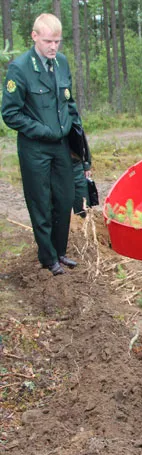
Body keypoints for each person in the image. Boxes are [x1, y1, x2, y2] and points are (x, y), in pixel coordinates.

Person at [1, 13, 82, 276]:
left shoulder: (61, 63)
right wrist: (42, 130)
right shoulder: (20, 68)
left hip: (60, 145)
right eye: (48, 40)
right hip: (35, 147)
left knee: (64, 198)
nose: (53, 46)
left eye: (57, 41)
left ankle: (60, 251)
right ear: (35, 36)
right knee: (41, 201)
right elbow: (10, 113)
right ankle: (48, 258)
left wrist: (78, 142)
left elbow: (69, 103)